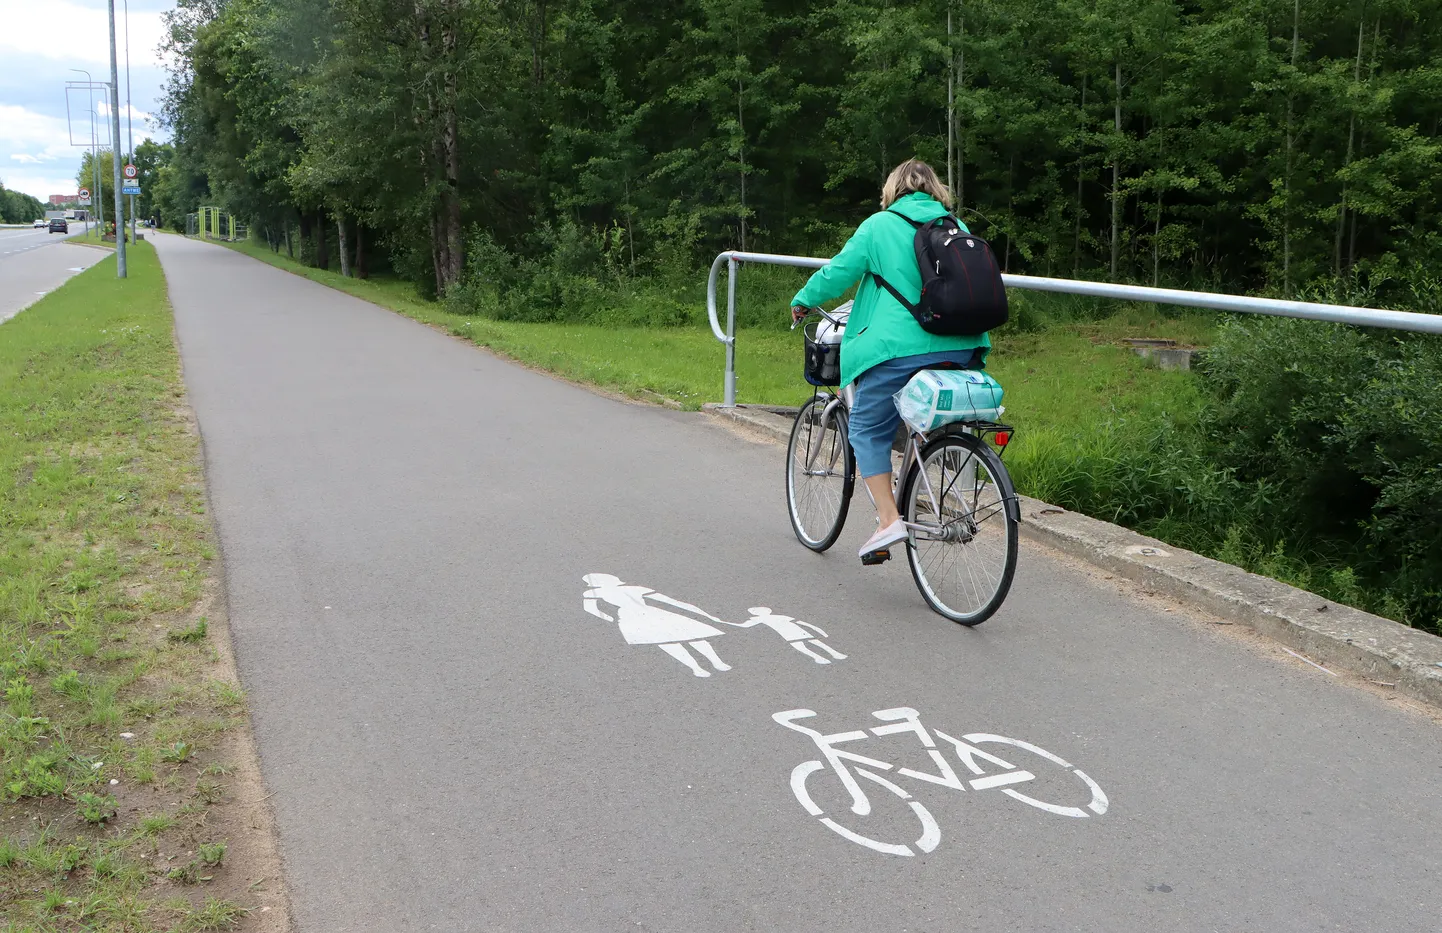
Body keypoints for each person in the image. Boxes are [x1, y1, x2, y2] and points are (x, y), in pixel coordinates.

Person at [790, 159, 991, 563]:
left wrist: (802, 301)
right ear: (935, 189)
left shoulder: (879, 225)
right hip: (963, 346)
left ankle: (888, 520)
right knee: (917, 422)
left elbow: (839, 272)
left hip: (899, 350)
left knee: (865, 428)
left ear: (891, 189)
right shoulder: (956, 226)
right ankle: (917, 484)